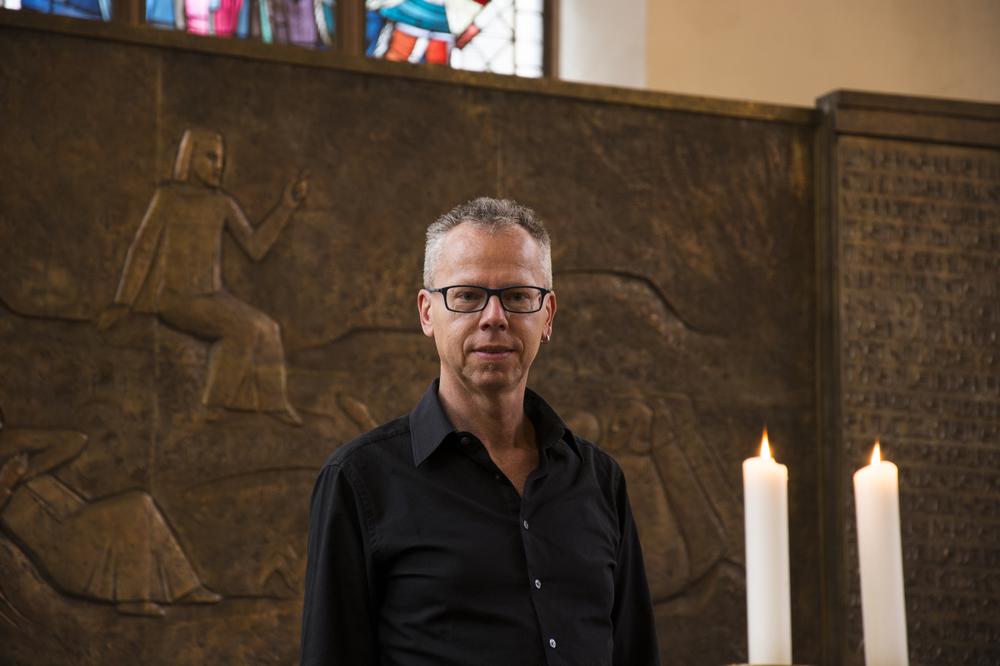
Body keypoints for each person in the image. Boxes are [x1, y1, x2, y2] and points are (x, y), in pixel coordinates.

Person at [300, 197, 660, 665]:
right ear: (428, 313)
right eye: (467, 295)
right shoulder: (358, 479)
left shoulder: (599, 480)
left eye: (517, 296)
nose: (494, 317)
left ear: (547, 315)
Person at [99, 127, 308, 425]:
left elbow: (256, 247)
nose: (218, 166)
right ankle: (214, 404)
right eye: (210, 157)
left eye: (221, 159)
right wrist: (123, 303)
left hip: (212, 296)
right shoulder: (168, 197)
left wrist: (286, 206)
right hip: (175, 298)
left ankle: (273, 404)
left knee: (270, 328)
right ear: (190, 156)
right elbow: (142, 249)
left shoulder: (222, 203)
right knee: (243, 329)